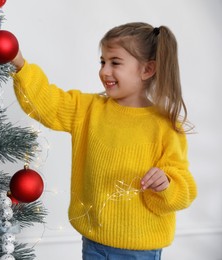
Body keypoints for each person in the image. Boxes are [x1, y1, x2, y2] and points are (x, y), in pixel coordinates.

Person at [11, 22, 197, 259]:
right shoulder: (88, 109)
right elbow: (48, 104)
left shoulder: (165, 126)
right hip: (93, 242)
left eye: (115, 63)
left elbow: (185, 188)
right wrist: (21, 66)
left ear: (147, 70)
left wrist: (167, 183)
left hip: (140, 250)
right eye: (103, 62)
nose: (104, 71)